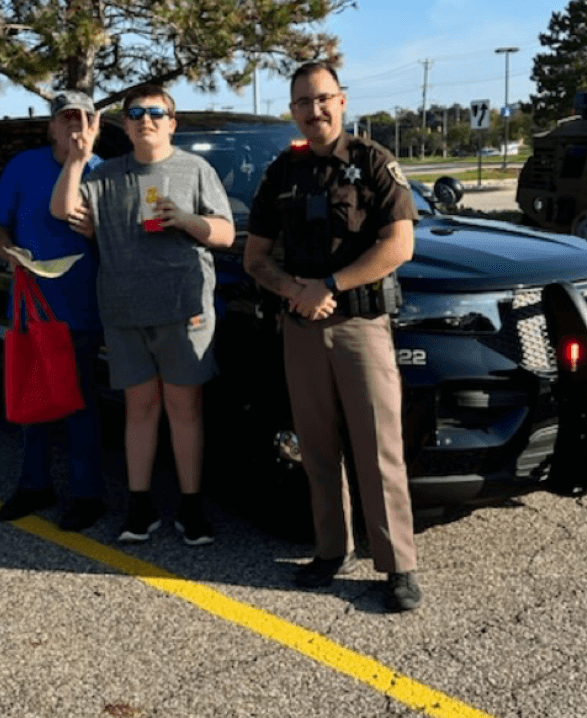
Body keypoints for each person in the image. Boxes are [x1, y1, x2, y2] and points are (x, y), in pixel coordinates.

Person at [243, 61, 422, 612]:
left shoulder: (372, 162)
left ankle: (397, 566)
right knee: (315, 448)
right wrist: (292, 289)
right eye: (302, 102)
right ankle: (330, 549)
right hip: (300, 326)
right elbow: (255, 257)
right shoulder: (281, 172)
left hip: (358, 327)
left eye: (322, 99)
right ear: (292, 111)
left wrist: (330, 284)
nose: (313, 111)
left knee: (377, 447)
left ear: (341, 101)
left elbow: (398, 246)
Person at [50, 85, 234, 546]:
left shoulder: (195, 169)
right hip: (125, 313)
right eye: (136, 113)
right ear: (126, 124)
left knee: (184, 408)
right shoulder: (107, 173)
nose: (146, 119)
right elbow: (60, 210)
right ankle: (140, 505)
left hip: (183, 312)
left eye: (156, 112)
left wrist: (186, 220)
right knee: (140, 410)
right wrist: (77, 158)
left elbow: (227, 233)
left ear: (172, 122)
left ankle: (191, 505)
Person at [0, 90, 106, 532]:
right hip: (30, 305)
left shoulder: (103, 172)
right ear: (52, 126)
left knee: (79, 402)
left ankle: (87, 494)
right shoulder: (24, 167)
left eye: (84, 118)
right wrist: (8, 250)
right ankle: (35, 484)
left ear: (95, 126)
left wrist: (97, 232)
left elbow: (125, 243)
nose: (76, 126)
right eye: (67, 118)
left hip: (81, 306)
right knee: (32, 397)